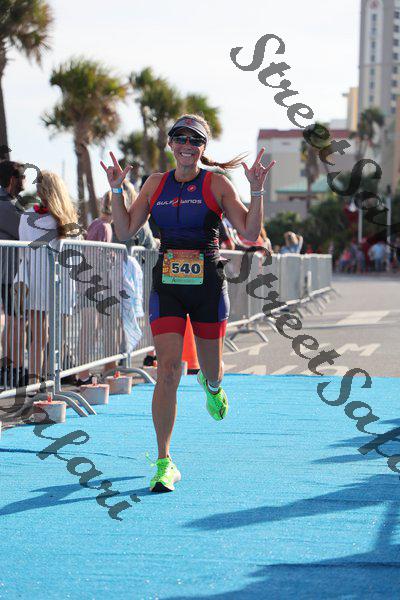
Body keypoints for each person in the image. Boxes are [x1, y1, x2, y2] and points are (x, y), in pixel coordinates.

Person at [101, 113, 275, 493]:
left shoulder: (217, 183)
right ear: (170, 143)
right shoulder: (155, 184)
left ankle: (212, 387)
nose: (187, 145)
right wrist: (116, 191)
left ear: (203, 147)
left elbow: (248, 233)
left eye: (195, 140)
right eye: (180, 138)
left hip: (207, 286)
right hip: (168, 285)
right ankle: (165, 461)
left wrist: (257, 191)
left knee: (211, 371)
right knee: (168, 370)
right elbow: (126, 230)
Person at [18, 171, 79, 385]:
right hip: (59, 282)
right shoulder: (67, 218)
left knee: (38, 338)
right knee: (55, 338)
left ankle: (36, 384)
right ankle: (50, 384)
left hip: (37, 280)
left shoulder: (28, 217)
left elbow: (23, 251)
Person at [0, 160, 26, 387]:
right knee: (16, 321)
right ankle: (13, 368)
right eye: (22, 177)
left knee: (12, 321)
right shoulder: (7, 205)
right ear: (12, 180)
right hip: (10, 275)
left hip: (9, 275)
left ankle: (9, 367)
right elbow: (28, 232)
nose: (25, 181)